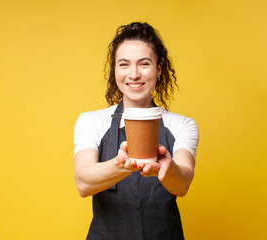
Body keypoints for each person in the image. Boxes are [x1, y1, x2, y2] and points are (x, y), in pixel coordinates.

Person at [73, 22, 199, 240]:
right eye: (124, 64)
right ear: (114, 70)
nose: (133, 74)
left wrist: (166, 168)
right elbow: (83, 183)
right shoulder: (92, 121)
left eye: (144, 64)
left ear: (158, 70)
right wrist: (123, 165)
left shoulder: (182, 125)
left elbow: (183, 184)